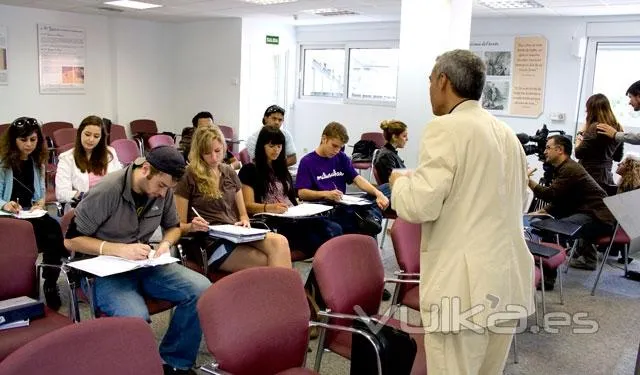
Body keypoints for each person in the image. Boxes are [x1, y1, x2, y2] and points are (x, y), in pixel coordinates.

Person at [389, 49, 534, 375]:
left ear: (443, 81)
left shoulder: (447, 128)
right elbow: (520, 200)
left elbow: (419, 205)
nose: (428, 89)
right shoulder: (508, 134)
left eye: (429, 81)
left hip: (463, 289)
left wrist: (398, 182)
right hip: (506, 278)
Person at [63, 145, 211, 375]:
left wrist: (165, 244)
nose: (164, 193)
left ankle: (174, 363)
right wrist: (117, 249)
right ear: (145, 169)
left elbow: (172, 227)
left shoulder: (164, 188)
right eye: (161, 186)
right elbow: (71, 241)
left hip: (143, 264)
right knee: (135, 317)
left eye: (168, 188)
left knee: (202, 289)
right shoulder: (108, 190)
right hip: (103, 270)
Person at [175, 126, 292, 271]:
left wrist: (244, 220)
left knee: (280, 242)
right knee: (268, 261)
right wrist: (192, 226)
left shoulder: (229, 172)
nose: (214, 157)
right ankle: (281, 292)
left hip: (235, 233)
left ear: (223, 148)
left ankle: (281, 292)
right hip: (209, 241)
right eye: (207, 153)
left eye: (217, 151)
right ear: (199, 153)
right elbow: (178, 226)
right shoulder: (188, 176)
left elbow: (243, 213)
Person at [239, 126, 342, 258]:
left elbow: (292, 197)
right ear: (262, 146)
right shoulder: (250, 170)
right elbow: (248, 205)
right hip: (274, 220)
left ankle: (321, 273)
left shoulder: (281, 169)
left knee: (334, 228)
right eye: (271, 146)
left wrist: (303, 208)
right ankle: (317, 272)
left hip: (293, 216)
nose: (276, 150)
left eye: (279, 146)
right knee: (324, 235)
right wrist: (270, 208)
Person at [0, 117, 67, 310]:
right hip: (8, 216)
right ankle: (20, 283)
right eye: (23, 140)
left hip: (29, 213)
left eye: (33, 140)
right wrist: (6, 205)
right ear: (13, 140)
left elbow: (40, 194)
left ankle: (50, 282)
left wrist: (40, 202)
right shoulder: (3, 164)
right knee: (25, 238)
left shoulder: (37, 162)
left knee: (54, 229)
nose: (29, 144)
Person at [528, 135, 614, 272]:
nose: (544, 151)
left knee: (552, 229)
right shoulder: (565, 167)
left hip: (599, 218)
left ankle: (548, 278)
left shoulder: (569, 169)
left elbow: (550, 194)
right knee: (544, 219)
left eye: (548, 148)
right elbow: (562, 197)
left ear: (560, 149)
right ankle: (589, 260)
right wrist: (546, 210)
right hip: (593, 213)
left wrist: (528, 181)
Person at [296, 121, 389, 237]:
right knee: (355, 225)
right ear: (324, 139)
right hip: (323, 211)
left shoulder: (341, 157)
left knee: (387, 189)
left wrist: (378, 193)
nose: (337, 151)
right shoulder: (307, 162)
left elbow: (358, 179)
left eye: (340, 147)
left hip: (343, 206)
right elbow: (302, 193)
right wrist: (326, 194)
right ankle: (370, 216)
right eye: (334, 146)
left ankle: (371, 216)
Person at [55, 115, 122, 208]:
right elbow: (61, 193)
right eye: (87, 134)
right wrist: (80, 195)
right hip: (83, 207)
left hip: (109, 204)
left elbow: (119, 181)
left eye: (96, 136)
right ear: (80, 133)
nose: (91, 139)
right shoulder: (66, 158)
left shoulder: (110, 154)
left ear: (101, 138)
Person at [574, 93, 623, 188]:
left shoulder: (594, 127)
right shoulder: (618, 128)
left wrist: (579, 137)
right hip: (606, 177)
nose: (586, 111)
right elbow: (618, 157)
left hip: (589, 177)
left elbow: (578, 153)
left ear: (591, 110)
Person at [373, 119, 408, 184]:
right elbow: (393, 182)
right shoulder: (386, 156)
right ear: (394, 137)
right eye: (404, 136)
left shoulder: (389, 153)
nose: (407, 139)